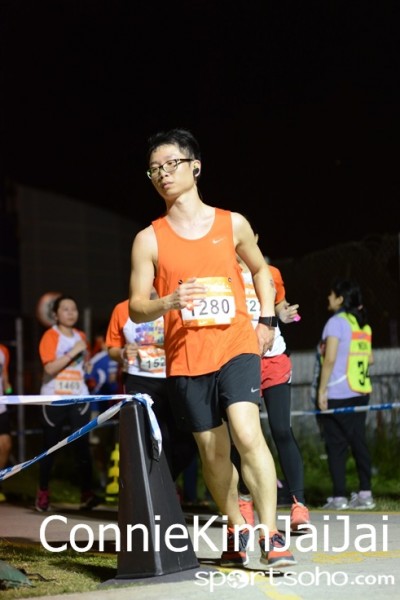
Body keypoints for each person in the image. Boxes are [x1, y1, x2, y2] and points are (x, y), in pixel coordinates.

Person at [128, 127, 296, 567]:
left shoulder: (232, 223)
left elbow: (261, 270)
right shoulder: (148, 239)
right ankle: (236, 526)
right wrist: (168, 301)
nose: (162, 174)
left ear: (195, 167)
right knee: (213, 451)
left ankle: (271, 533)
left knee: (247, 431)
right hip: (186, 358)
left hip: (236, 345)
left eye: (171, 164)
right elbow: (137, 307)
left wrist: (265, 320)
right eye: (154, 169)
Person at [232, 251, 310, 532]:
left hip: (274, 359)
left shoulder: (271, 273)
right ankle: (244, 501)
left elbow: (281, 307)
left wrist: (286, 314)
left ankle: (299, 505)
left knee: (281, 430)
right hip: (241, 361)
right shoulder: (223, 272)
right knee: (243, 436)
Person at [105, 298, 198, 482]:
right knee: (150, 437)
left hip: (176, 377)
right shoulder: (123, 308)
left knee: (188, 440)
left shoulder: (179, 301)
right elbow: (112, 348)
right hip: (139, 380)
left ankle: (167, 482)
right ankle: (157, 488)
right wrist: (123, 353)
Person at [35, 294, 99, 512]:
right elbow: (49, 368)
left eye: (74, 309)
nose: (71, 313)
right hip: (54, 398)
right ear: (55, 315)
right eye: (66, 309)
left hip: (79, 398)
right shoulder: (50, 336)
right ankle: (43, 491)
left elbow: (84, 365)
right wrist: (74, 352)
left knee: (82, 446)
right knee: (50, 446)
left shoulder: (81, 336)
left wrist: (88, 367)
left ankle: (87, 494)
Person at [317, 278, 375, 510]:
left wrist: (322, 390)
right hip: (360, 389)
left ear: (340, 299)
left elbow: (329, 358)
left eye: (331, 295)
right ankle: (365, 493)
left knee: (336, 445)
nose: (328, 298)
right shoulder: (360, 323)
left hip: (338, 391)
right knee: (359, 441)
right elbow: (370, 358)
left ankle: (340, 497)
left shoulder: (336, 323)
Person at [0, 343, 12, 502]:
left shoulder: (3, 350)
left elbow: (5, 377)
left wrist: (8, 388)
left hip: (1, 407)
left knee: (5, 444)